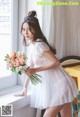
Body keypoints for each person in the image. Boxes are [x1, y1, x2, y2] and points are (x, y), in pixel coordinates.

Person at [16, 10, 79, 117]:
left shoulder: (40, 44)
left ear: (35, 30)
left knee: (48, 115)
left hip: (61, 85)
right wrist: (24, 88)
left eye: (29, 29)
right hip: (57, 86)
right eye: (23, 29)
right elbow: (30, 69)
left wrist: (35, 70)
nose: (25, 33)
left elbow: (56, 62)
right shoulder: (33, 45)